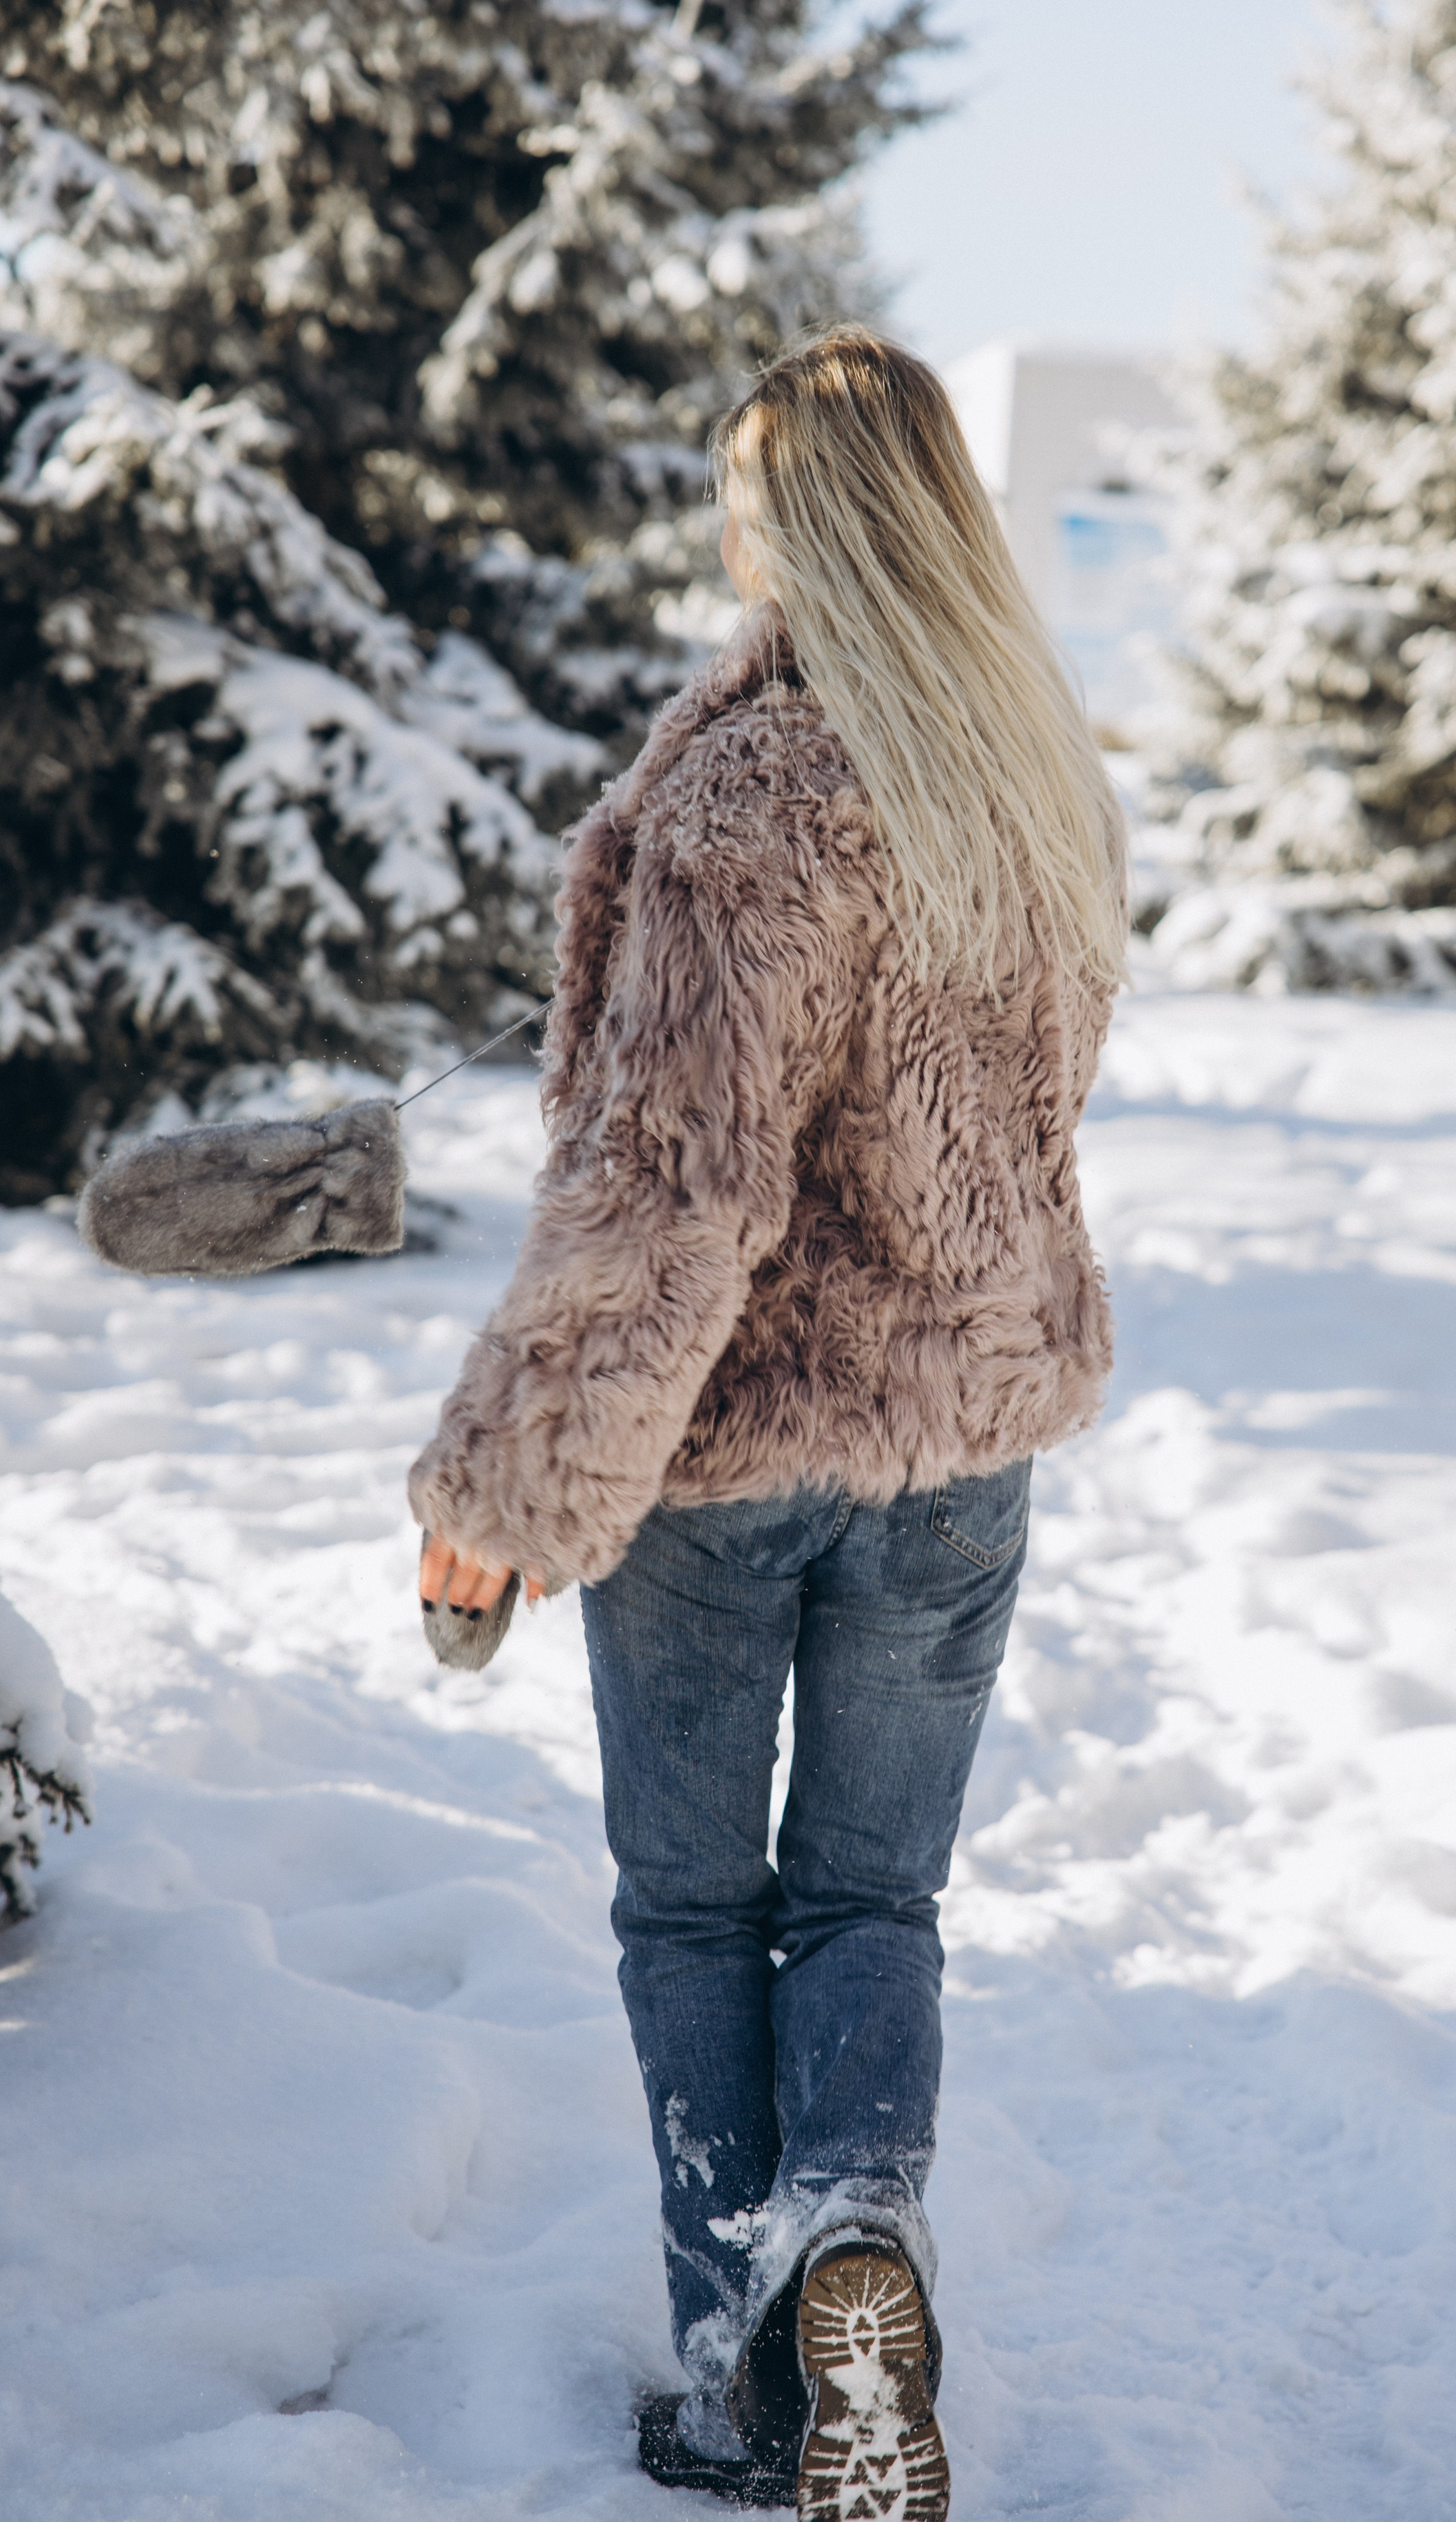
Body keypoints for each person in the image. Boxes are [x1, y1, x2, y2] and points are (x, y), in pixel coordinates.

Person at [410, 325, 1126, 2517]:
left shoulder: (746, 798)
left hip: (734, 1461)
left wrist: (512, 1485)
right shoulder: (1035, 783)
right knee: (877, 1901)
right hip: (964, 1449)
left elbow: (669, 1190)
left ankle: (744, 2386)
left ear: (808, 518)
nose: (728, 528)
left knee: (700, 1916)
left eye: (746, 493)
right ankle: (864, 2244)